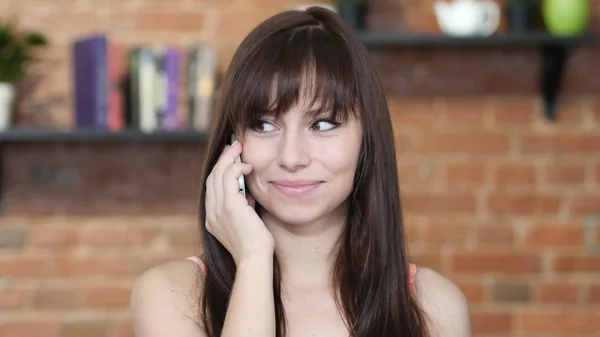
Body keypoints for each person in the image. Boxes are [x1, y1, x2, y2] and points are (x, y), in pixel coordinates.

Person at [130, 6, 472, 337]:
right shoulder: (172, 297)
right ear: (233, 142)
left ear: (367, 139)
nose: (291, 157)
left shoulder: (435, 307)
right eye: (264, 125)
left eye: (322, 124)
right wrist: (252, 260)